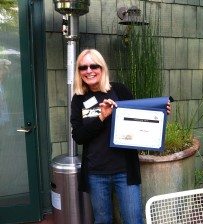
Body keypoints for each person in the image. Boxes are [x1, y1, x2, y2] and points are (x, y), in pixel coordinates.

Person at [70, 49, 171, 224]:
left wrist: (160, 112)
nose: (89, 70)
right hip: (96, 173)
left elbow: (139, 118)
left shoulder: (119, 90)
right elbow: (78, 136)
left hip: (124, 171)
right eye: (83, 67)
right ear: (79, 71)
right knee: (103, 220)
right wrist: (101, 117)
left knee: (133, 220)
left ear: (102, 68)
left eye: (94, 65)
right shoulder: (79, 99)